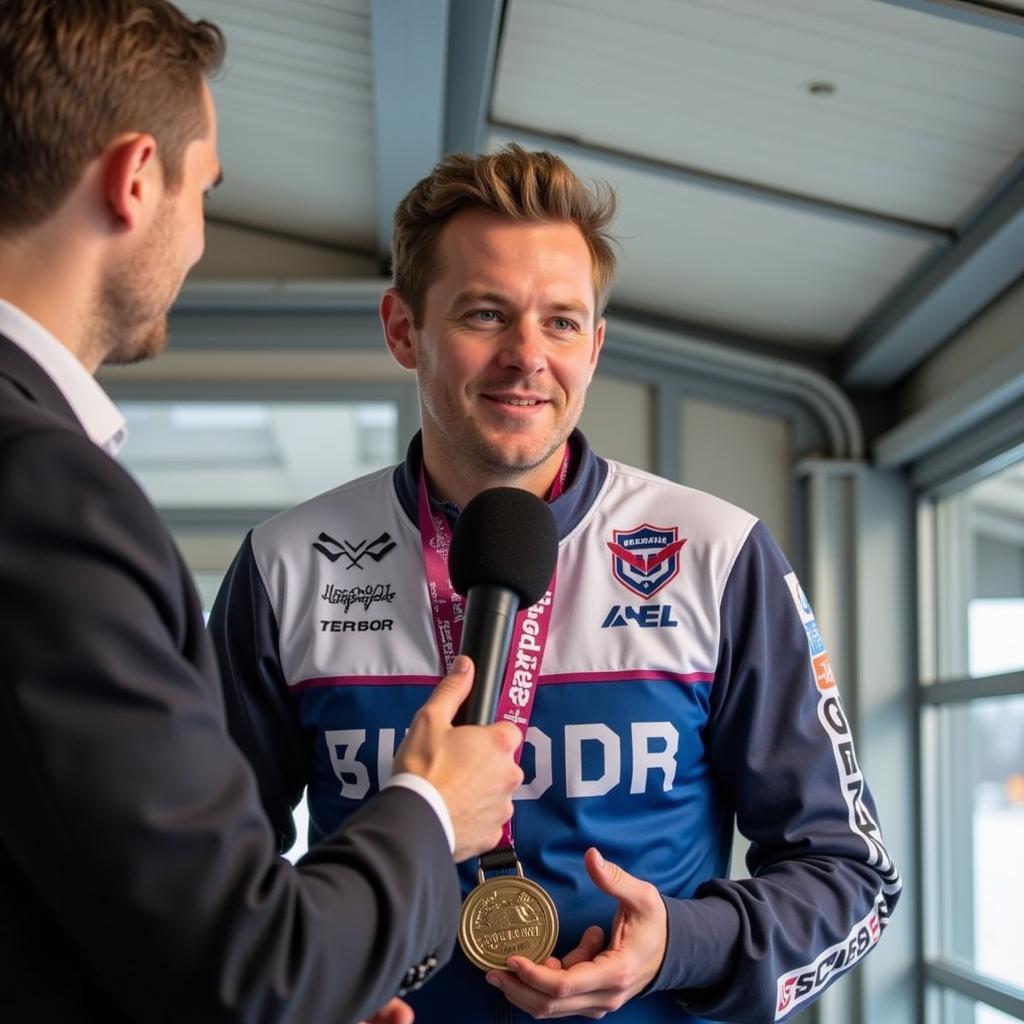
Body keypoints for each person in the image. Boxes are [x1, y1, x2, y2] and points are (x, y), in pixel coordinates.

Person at [208, 146, 902, 1023]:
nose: (527, 356)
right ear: (402, 329)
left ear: (596, 345)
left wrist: (679, 946)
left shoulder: (718, 554)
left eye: (563, 322)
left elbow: (852, 880)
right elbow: (210, 880)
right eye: (486, 313)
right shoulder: (285, 564)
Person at [0, 5, 525, 1023]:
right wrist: (427, 808)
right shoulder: (46, 489)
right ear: (135, 178)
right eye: (206, 193)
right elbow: (245, 968)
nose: (198, 236)